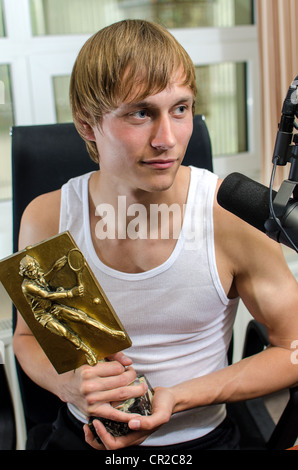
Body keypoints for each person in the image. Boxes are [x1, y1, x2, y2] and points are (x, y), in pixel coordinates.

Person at [13, 19, 298, 451]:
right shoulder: (49, 218)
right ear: (88, 125)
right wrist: (69, 385)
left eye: (180, 109)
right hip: (82, 435)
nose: (167, 139)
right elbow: (28, 339)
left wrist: (179, 399)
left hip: (199, 440)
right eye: (141, 113)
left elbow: (292, 349)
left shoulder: (231, 214)